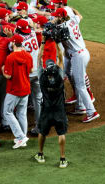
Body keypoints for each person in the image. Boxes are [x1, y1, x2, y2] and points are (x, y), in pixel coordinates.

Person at [52, 8, 99, 122]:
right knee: (69, 73)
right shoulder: (72, 20)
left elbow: (56, 39)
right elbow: (78, 16)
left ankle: (91, 111)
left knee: (80, 85)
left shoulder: (64, 28)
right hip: (76, 53)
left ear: (62, 18)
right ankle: (79, 107)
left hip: (78, 56)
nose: (54, 18)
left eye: (56, 17)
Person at [34, 40, 69, 168]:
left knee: (42, 132)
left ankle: (41, 154)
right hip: (59, 109)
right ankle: (62, 159)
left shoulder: (42, 77)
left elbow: (39, 57)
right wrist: (56, 42)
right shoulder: (60, 76)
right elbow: (61, 57)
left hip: (46, 110)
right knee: (61, 134)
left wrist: (43, 43)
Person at [2, 34, 33, 149]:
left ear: (14, 43)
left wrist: (2, 69)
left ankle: (20, 137)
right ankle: (23, 139)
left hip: (14, 90)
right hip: (25, 88)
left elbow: (8, 76)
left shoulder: (10, 57)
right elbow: (31, 70)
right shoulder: (28, 56)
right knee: (21, 113)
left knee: (7, 112)